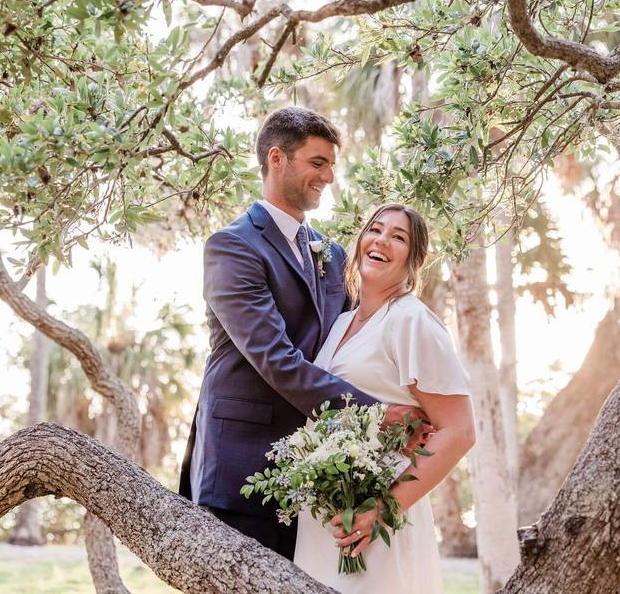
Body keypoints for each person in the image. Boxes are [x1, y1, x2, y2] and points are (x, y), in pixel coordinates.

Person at [178, 107, 427, 560]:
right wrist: (376, 414)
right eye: (318, 162)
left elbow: (357, 336)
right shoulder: (232, 247)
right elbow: (276, 359)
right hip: (242, 470)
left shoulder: (331, 252)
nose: (329, 176)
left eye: (332, 164)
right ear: (277, 159)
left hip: (318, 478)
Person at [293, 203, 475, 593]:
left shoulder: (411, 320)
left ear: (414, 259)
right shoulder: (341, 321)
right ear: (360, 242)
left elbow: (459, 431)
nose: (382, 241)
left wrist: (382, 510)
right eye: (375, 230)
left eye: (398, 237)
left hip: (376, 517)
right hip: (326, 521)